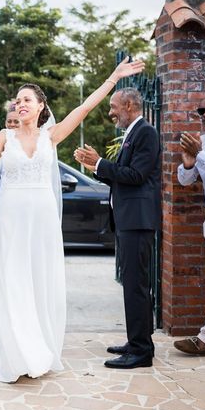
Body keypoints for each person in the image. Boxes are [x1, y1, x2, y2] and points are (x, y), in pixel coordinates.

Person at [0, 58, 145, 383]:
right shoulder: (5, 136)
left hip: (42, 221)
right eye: (18, 100)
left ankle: (39, 347)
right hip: (11, 220)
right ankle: (16, 353)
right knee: (14, 281)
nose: (21, 104)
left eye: (27, 99)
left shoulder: (51, 136)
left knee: (38, 280)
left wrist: (114, 76)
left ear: (41, 106)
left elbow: (85, 107)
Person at [75, 87, 161, 369]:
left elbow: (136, 176)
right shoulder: (134, 132)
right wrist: (98, 167)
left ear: (128, 105)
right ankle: (138, 340)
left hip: (137, 221)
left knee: (136, 286)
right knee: (133, 284)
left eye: (113, 106)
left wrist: (100, 163)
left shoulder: (145, 132)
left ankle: (141, 351)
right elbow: (124, 177)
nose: (111, 112)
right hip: (129, 220)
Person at [174, 93, 205, 356]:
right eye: (201, 112)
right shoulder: (202, 142)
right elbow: (186, 180)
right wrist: (189, 164)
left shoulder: (202, 147)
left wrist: (199, 154)